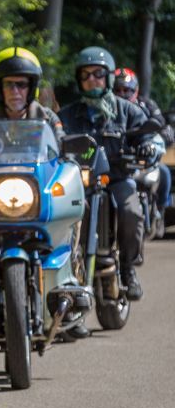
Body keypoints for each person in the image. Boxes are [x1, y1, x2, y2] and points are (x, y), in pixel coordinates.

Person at [59, 46, 160, 302]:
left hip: (117, 177)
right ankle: (63, 276)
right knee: (63, 214)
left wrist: (149, 146)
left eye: (98, 74)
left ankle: (127, 268)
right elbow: (52, 139)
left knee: (131, 211)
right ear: (79, 80)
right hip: (80, 181)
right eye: (86, 75)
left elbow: (149, 133)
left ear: (109, 78)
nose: (92, 79)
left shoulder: (127, 110)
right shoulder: (68, 115)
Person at [0, 47, 64, 142]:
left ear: (31, 88)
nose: (14, 91)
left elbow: (63, 144)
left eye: (21, 85)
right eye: (8, 84)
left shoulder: (48, 118)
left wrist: (68, 152)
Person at [113, 67, 173, 216]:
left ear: (136, 90)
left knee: (164, 172)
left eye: (127, 90)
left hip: (142, 155)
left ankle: (160, 208)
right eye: (118, 90)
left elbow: (162, 125)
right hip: (115, 156)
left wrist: (156, 141)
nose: (122, 94)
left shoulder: (147, 105)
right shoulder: (106, 108)